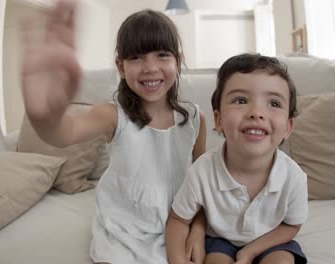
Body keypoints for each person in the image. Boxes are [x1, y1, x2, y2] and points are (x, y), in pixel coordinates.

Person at [21, 1, 207, 263]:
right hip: (122, 232)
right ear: (121, 67)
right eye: (136, 57)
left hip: (176, 228)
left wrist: (197, 230)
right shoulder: (113, 115)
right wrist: (44, 115)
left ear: (178, 61)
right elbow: (63, 133)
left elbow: (202, 186)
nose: (150, 67)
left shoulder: (194, 119)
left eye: (162, 55)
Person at [166, 53, 308, 264]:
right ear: (219, 119)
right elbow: (178, 219)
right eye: (241, 100)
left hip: (271, 241)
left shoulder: (293, 177)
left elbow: (292, 225)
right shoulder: (202, 171)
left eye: (274, 103)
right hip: (220, 241)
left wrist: (250, 251)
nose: (256, 112)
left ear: (287, 127)